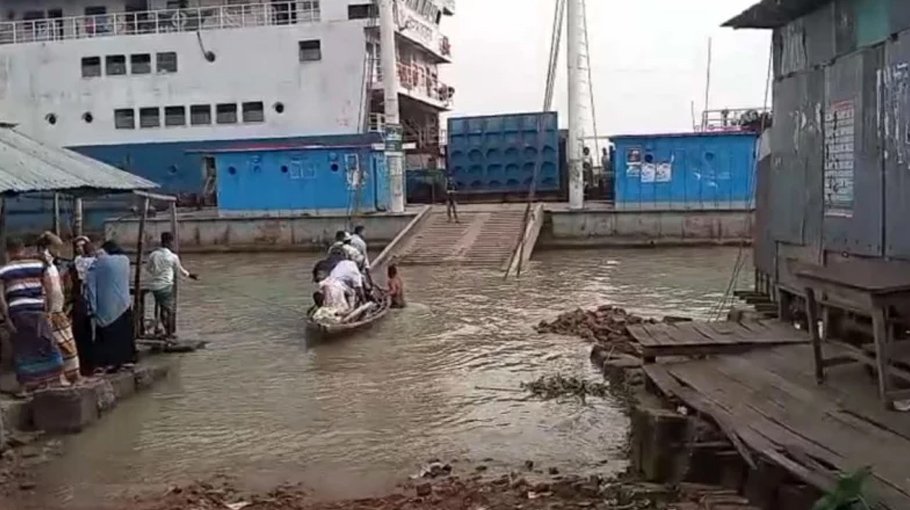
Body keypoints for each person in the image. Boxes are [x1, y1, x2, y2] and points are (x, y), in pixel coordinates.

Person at [0, 237, 66, 392]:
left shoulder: (3, 270)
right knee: (46, 344)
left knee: (23, 349)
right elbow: (49, 290)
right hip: (38, 311)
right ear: (23, 249)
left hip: (17, 313)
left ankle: (25, 386)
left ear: (8, 252)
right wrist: (49, 311)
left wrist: (7, 318)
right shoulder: (38, 265)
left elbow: (1, 299)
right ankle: (54, 380)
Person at [85, 241, 136, 374]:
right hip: (124, 304)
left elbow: (91, 289)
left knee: (105, 337)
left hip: (105, 306)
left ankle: (105, 363)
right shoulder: (125, 261)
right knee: (123, 335)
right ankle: (125, 361)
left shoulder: (97, 264)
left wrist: (93, 309)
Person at [36, 232, 80, 383]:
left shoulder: (51, 264)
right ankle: (64, 377)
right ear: (47, 247)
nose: (60, 251)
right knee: (61, 346)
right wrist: (47, 312)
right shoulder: (42, 264)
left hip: (57, 310)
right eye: (56, 247)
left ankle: (67, 376)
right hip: (51, 311)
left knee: (64, 346)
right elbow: (46, 290)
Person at [146, 232, 198, 338]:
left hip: (155, 287)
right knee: (169, 310)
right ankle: (169, 333)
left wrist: (157, 273)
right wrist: (190, 275)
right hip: (166, 287)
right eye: (172, 242)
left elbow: (148, 269)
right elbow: (180, 271)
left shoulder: (153, 254)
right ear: (169, 242)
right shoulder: (173, 257)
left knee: (161, 307)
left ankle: (160, 328)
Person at [70, 236, 96, 375]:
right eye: (77, 246)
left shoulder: (90, 262)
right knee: (82, 332)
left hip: (88, 298)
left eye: (82, 245)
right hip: (82, 299)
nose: (79, 248)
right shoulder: (77, 262)